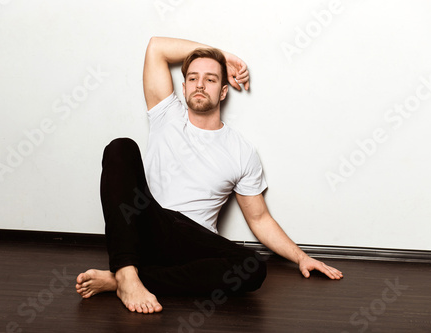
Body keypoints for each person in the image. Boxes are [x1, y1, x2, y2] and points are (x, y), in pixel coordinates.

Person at [76, 36, 343, 314]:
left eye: (211, 79)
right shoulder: (166, 114)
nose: (200, 84)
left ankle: (121, 279)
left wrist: (301, 257)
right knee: (121, 147)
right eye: (193, 78)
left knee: (253, 267)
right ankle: (127, 273)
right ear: (183, 87)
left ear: (224, 91)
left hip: (194, 242)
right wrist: (222, 56)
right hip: (151, 223)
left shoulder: (241, 151)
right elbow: (156, 47)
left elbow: (259, 218)